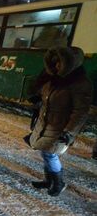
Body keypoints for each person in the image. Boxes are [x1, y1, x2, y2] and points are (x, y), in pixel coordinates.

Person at [28, 47, 92, 196]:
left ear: (70, 64)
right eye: (55, 63)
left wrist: (69, 132)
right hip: (47, 123)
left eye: (59, 63)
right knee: (45, 152)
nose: (56, 66)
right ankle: (49, 180)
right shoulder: (54, 78)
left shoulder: (79, 83)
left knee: (51, 154)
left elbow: (80, 112)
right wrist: (39, 99)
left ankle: (59, 183)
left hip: (61, 127)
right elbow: (47, 97)